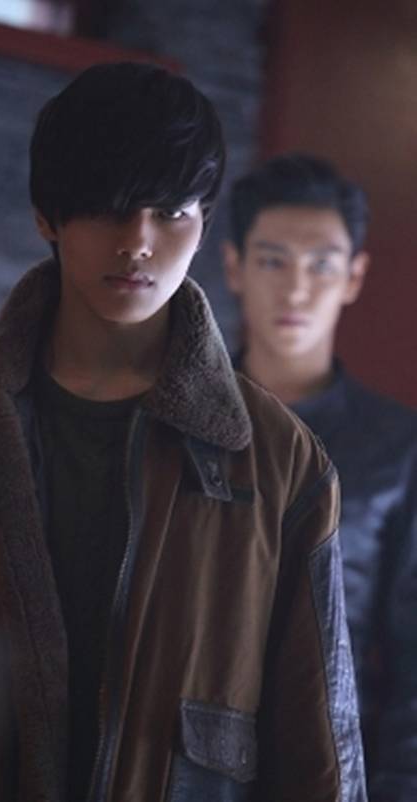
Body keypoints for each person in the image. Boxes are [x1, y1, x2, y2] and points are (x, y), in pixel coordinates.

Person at [0, 65, 366, 802]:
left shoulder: (278, 460)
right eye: (110, 207)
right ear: (48, 215)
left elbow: (317, 750)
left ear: (204, 225)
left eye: (170, 213)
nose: (138, 242)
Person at [224, 151, 417, 802]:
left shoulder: (398, 446)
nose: (297, 290)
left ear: (354, 275)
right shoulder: (171, 417)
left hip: (329, 766)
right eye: (273, 261)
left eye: (322, 265)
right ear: (235, 266)